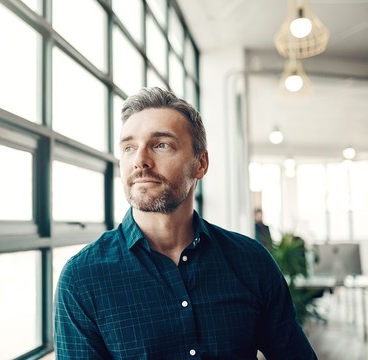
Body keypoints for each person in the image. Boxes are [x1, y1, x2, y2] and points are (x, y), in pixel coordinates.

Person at [53, 87, 317, 359]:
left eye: (161, 145)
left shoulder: (251, 262)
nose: (140, 161)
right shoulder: (82, 279)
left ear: (200, 163)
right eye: (129, 148)